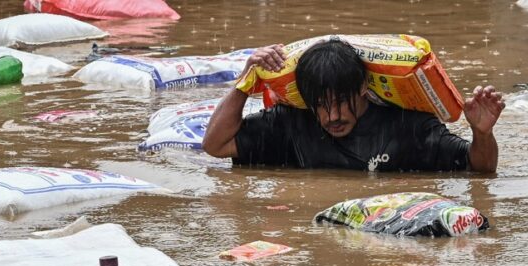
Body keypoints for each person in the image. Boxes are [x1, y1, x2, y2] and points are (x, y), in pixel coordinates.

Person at [202, 39, 504, 173]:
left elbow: (480, 169)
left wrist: (482, 133)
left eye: (339, 103)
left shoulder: (408, 127)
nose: (332, 116)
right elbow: (216, 145)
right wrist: (245, 82)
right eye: (320, 105)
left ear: (363, 88)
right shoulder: (290, 124)